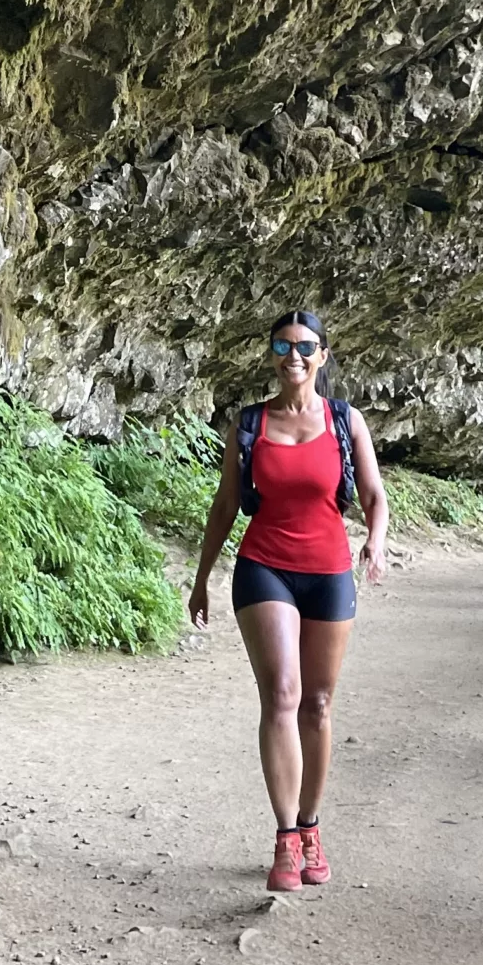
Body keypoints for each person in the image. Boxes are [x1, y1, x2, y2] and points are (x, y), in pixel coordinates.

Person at [188, 311, 388, 891]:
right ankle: (282, 840)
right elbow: (226, 505)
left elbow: (374, 495)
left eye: (304, 347)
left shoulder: (345, 421)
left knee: (318, 704)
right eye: (282, 345)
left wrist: (374, 542)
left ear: (322, 356)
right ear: (272, 355)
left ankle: (309, 826)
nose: (292, 356)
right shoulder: (250, 424)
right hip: (264, 567)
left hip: (328, 571)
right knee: (282, 694)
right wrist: (201, 576)